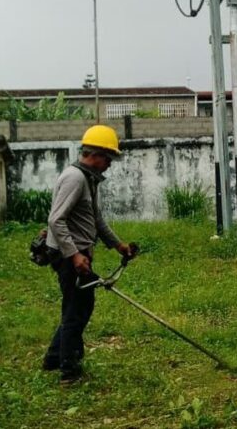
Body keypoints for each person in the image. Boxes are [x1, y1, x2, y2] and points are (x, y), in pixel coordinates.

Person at [43, 125, 136, 384]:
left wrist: (119, 246)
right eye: (108, 158)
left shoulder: (87, 179)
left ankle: (53, 358)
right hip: (68, 255)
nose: (109, 164)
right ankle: (68, 371)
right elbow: (56, 220)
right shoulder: (75, 178)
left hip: (78, 252)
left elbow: (95, 219)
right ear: (95, 154)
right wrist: (74, 256)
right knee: (77, 310)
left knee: (77, 306)